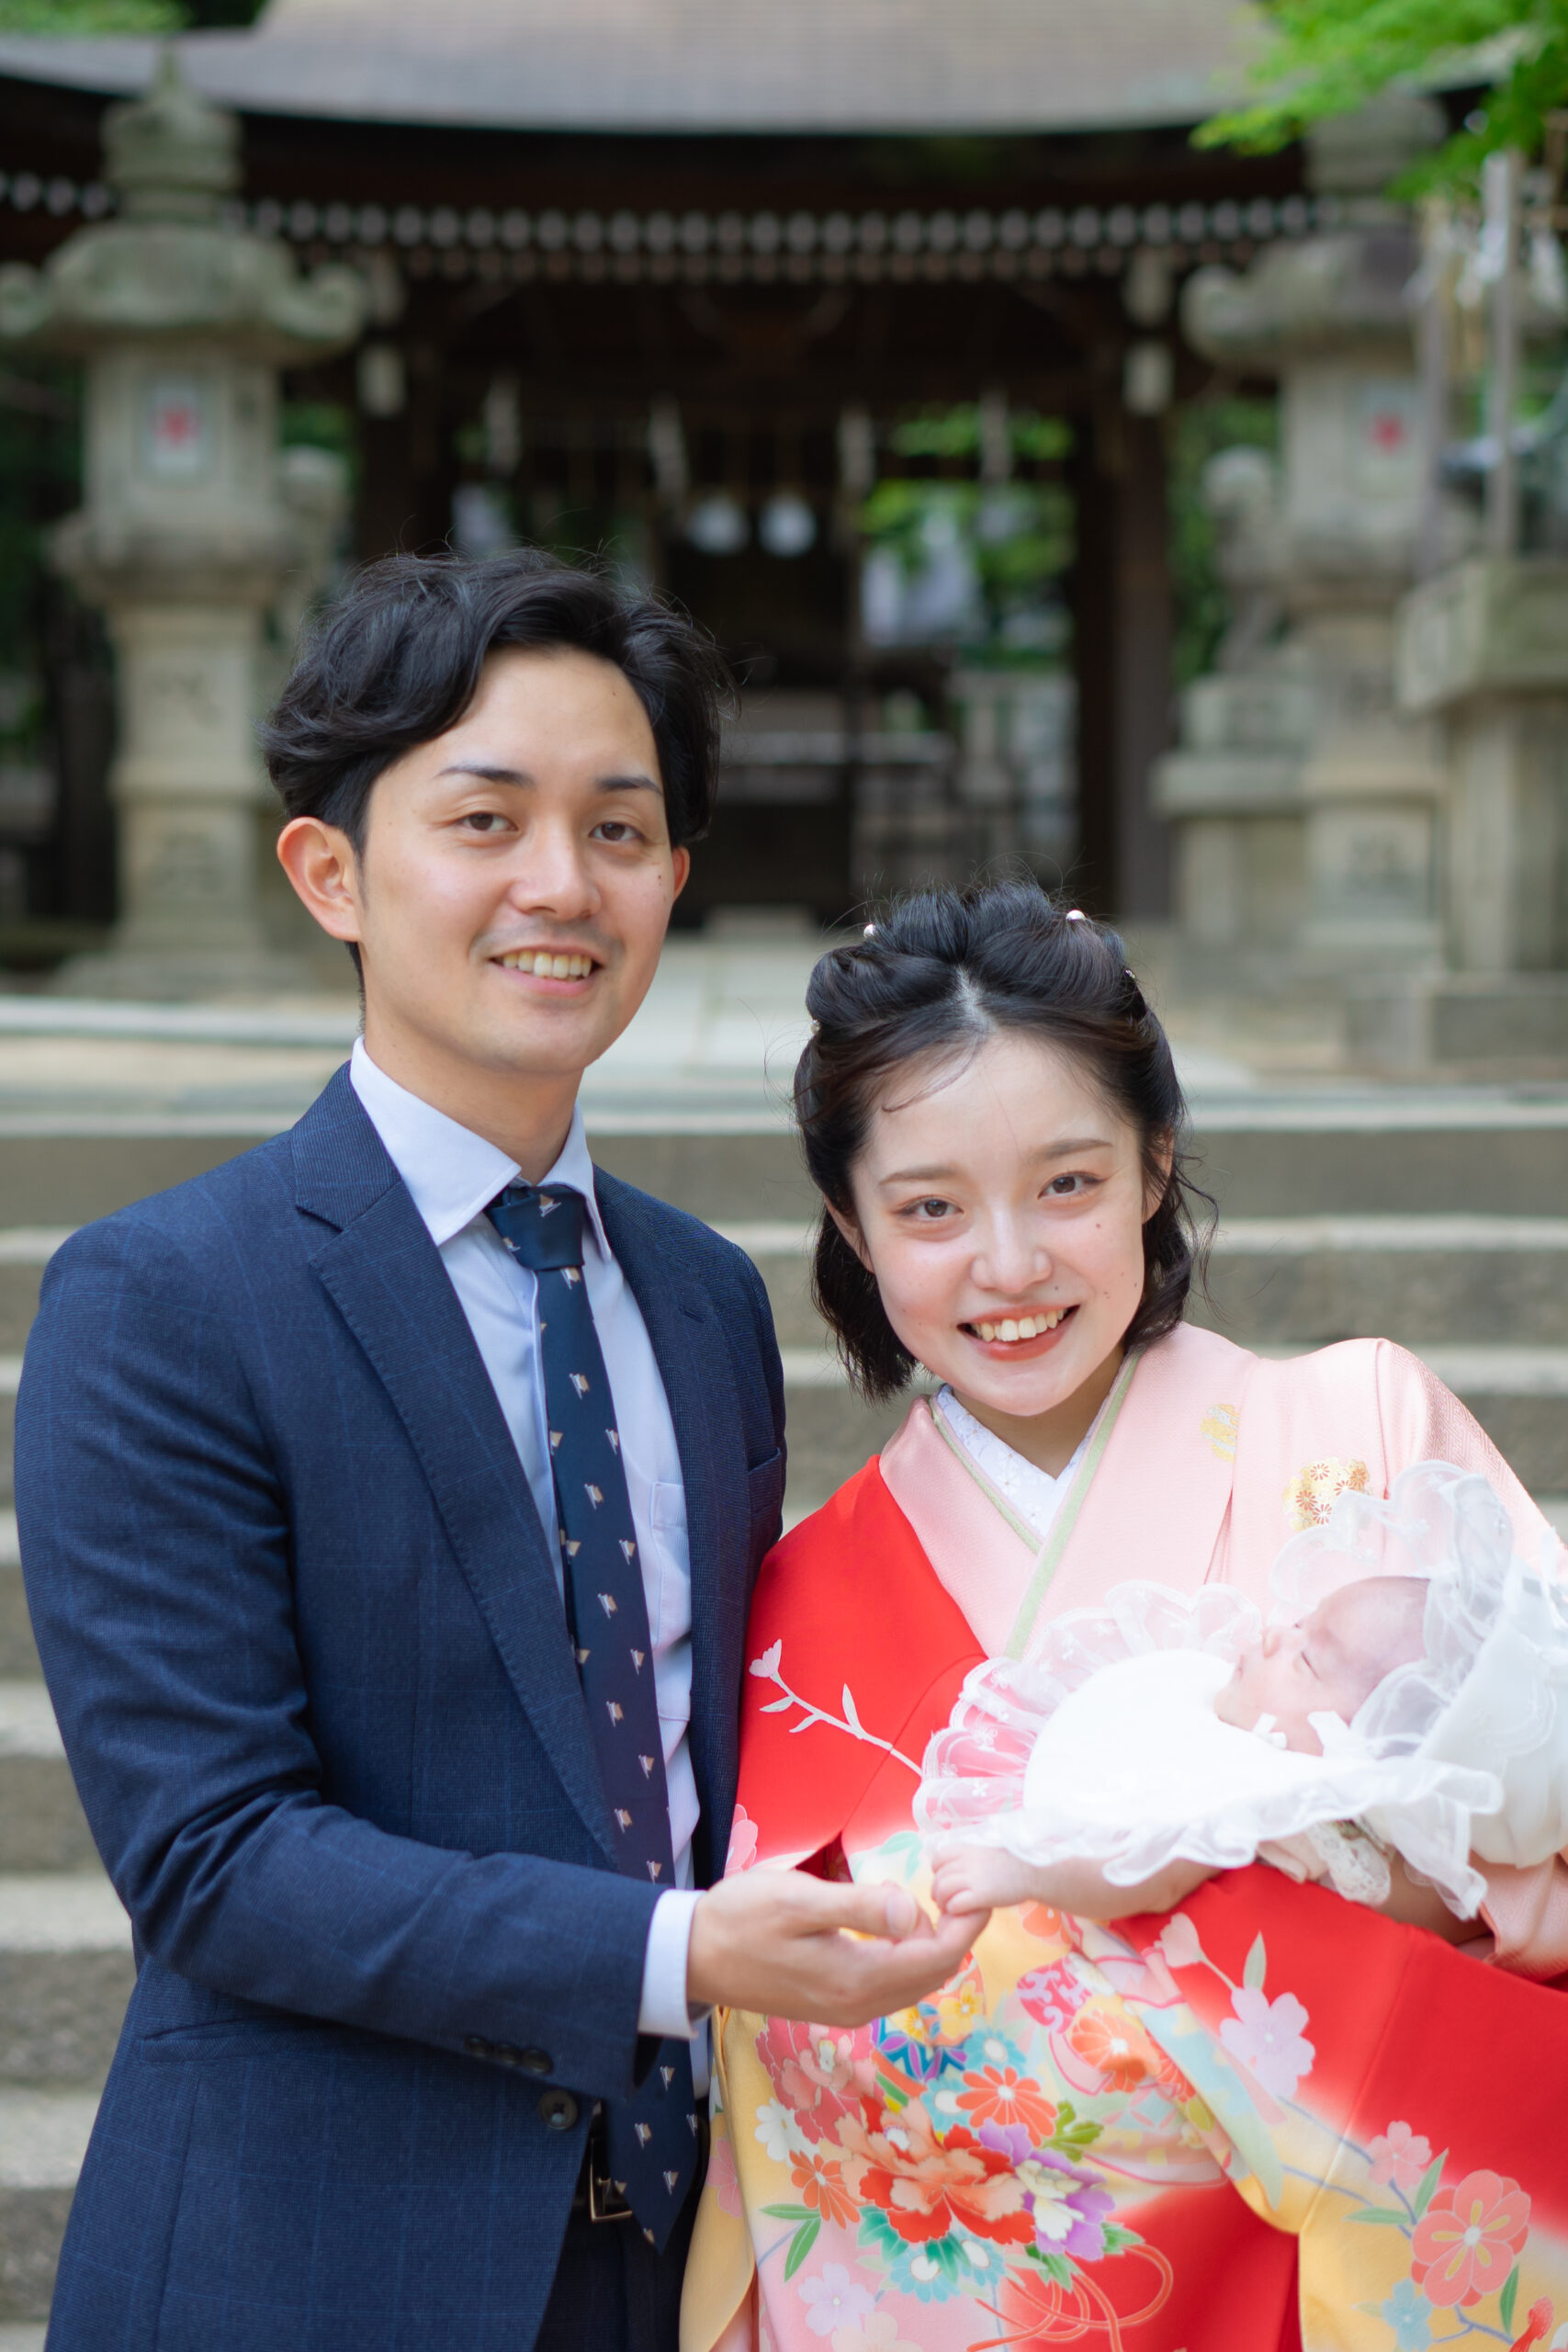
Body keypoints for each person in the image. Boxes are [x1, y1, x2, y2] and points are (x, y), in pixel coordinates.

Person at [14, 552, 974, 2352]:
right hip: (308, 2266)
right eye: (483, 817)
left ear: (675, 879)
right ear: (333, 873)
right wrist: (675, 1956)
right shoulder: (164, 1297)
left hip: (680, 2251)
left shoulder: (696, 1297)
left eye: (619, 829)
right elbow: (216, 1852)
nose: (560, 883)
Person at [682, 880, 1568, 2352]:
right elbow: (781, 2086)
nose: (1010, 1264)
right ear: (850, 1221)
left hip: (1318, 2288)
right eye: (928, 1209)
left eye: (1068, 1184)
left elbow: (1541, 1821)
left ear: (1154, 1166)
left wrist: (1242, 1910)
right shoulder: (794, 1600)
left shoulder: (1358, 1432)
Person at [920, 1459, 1568, 1935]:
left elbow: (1149, 1868)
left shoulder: (1301, 1811)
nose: (1270, 1636)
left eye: (1306, 1658)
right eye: (1298, 1624)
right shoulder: (1252, 1738)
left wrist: (1024, 1871)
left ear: (1372, 1752)